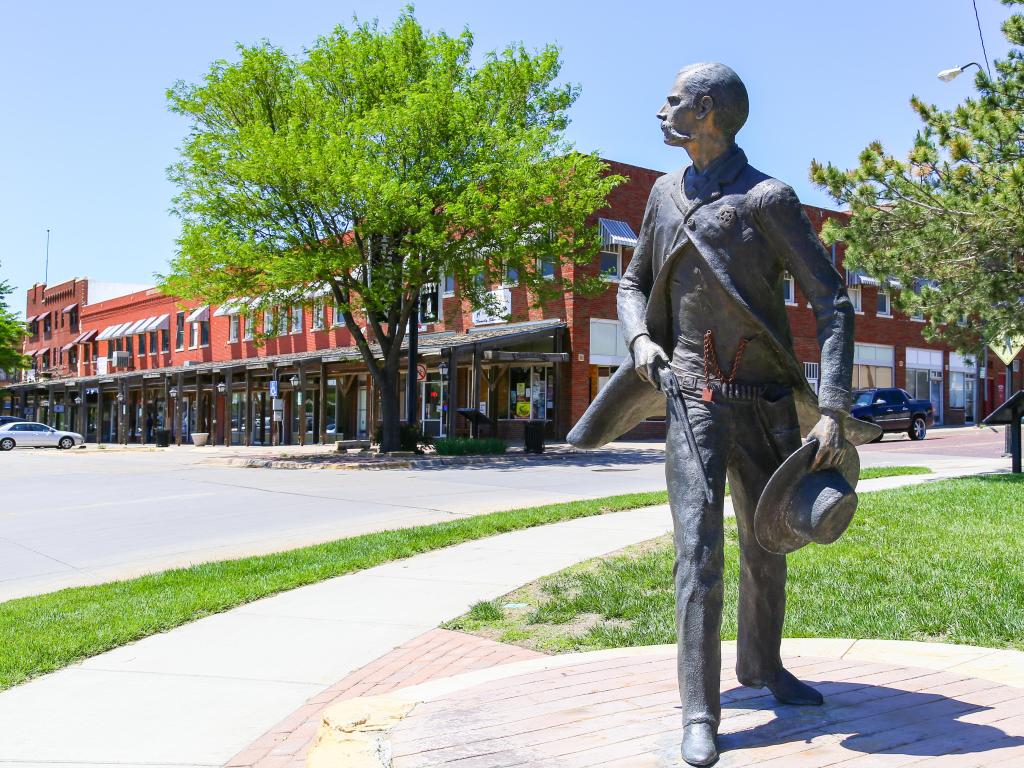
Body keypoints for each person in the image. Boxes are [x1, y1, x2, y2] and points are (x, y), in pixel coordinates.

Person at [567, 62, 874, 766]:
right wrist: (642, 338)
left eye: (673, 101)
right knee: (697, 556)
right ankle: (700, 711)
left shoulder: (767, 200)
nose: (662, 110)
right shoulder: (663, 195)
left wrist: (830, 408)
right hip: (692, 400)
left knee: (770, 544)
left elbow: (832, 302)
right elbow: (632, 282)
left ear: (705, 110)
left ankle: (762, 667)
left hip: (765, 406)